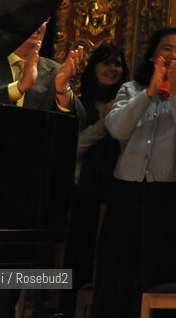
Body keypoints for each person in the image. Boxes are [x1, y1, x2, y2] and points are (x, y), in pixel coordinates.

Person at [93, 27, 176, 318]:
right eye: (166, 49)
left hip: (169, 195)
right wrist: (148, 92)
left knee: (160, 273)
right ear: (152, 55)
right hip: (126, 193)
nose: (172, 55)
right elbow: (117, 128)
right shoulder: (130, 89)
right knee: (118, 270)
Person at [64, 43, 128, 315]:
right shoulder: (79, 103)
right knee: (78, 254)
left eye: (117, 64)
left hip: (119, 190)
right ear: (94, 68)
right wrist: (105, 123)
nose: (112, 69)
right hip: (83, 191)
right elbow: (72, 148)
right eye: (106, 63)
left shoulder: (129, 104)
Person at [0, 20, 85, 117]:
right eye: (31, 16)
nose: (38, 23)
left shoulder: (56, 72)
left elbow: (80, 122)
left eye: (44, 18)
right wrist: (18, 88)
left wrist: (63, 90)